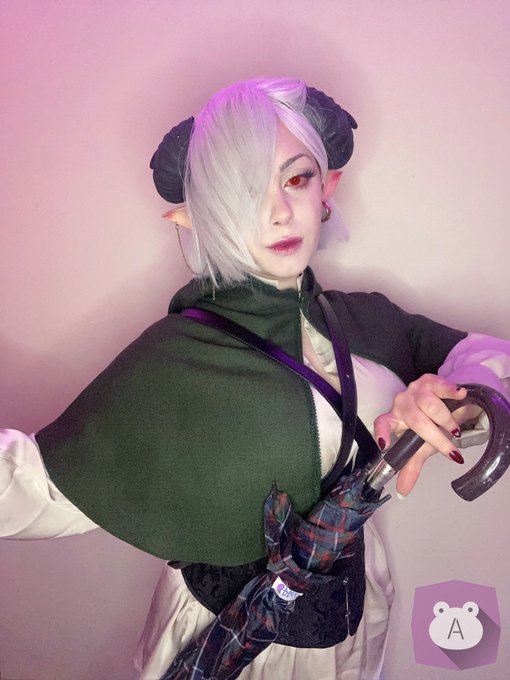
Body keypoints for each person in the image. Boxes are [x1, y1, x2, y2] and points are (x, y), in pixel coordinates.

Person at [1, 77, 509, 680]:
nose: (277, 212)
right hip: (220, 638)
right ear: (201, 214)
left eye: (295, 179)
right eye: (241, 191)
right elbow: (35, 488)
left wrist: (455, 402)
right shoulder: (177, 355)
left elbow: (487, 360)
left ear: (326, 188)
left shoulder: (368, 320)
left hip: (352, 623)